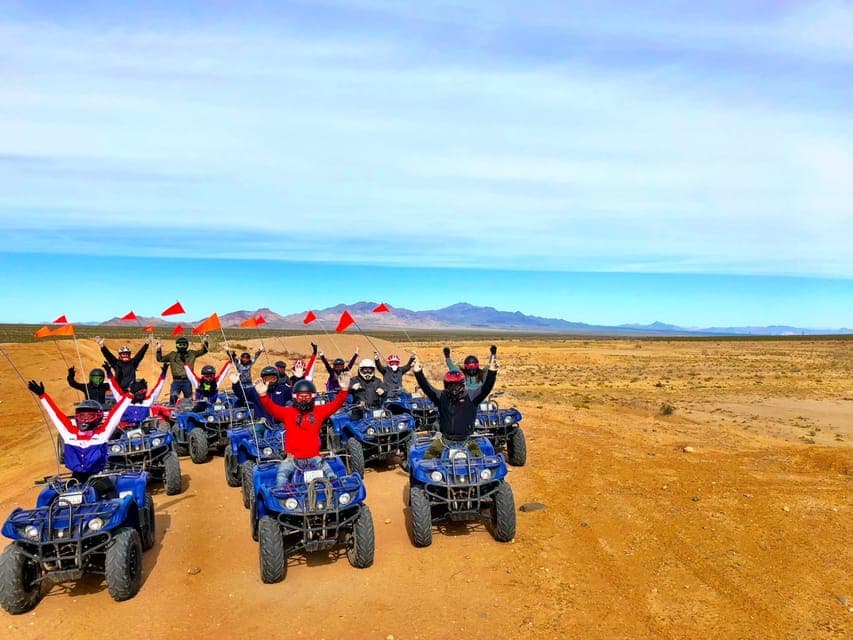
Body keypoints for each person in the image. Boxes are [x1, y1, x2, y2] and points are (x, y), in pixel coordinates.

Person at [27, 380, 132, 481]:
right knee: (51, 497)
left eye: (90, 416)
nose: (85, 420)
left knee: (113, 496)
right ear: (76, 417)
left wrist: (130, 395)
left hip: (98, 478)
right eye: (81, 416)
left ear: (98, 417)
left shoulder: (102, 434)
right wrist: (42, 395)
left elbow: (116, 413)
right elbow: (55, 414)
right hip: (75, 479)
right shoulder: (68, 432)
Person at [256, 379, 349, 485]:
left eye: (307, 396)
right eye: (300, 397)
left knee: (332, 478)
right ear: (295, 397)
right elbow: (271, 407)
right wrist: (263, 395)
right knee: (281, 480)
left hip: (315, 457)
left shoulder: (319, 411)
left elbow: (336, 404)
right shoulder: (287, 413)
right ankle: (286, 501)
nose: (304, 399)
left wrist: (344, 389)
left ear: (313, 397)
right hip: (292, 459)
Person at [413, 345, 498, 459]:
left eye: (457, 385)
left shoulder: (471, 396)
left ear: (462, 384)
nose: (454, 388)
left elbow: (486, 388)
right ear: (445, 385)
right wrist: (418, 372)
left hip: (467, 441)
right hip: (444, 441)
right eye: (450, 385)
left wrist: (492, 372)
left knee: (482, 464)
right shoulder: (441, 397)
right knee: (425, 464)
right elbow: (427, 388)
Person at [105, 362, 170, 429]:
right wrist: (109, 373)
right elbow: (114, 387)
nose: (141, 394)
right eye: (140, 392)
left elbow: (158, 388)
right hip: (124, 431)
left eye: (143, 391)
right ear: (133, 392)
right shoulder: (123, 400)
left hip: (143, 431)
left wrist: (163, 374)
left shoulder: (147, 401)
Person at [156, 335, 209, 404]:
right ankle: (172, 413)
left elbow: (204, 351)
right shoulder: (172, 355)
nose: (182, 347)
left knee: (189, 401)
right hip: (176, 381)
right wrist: (159, 347)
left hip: (187, 381)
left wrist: (205, 341)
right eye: (180, 345)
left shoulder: (191, 354)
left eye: (183, 345)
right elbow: (159, 359)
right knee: (173, 400)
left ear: (187, 345)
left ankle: (189, 414)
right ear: (177, 345)